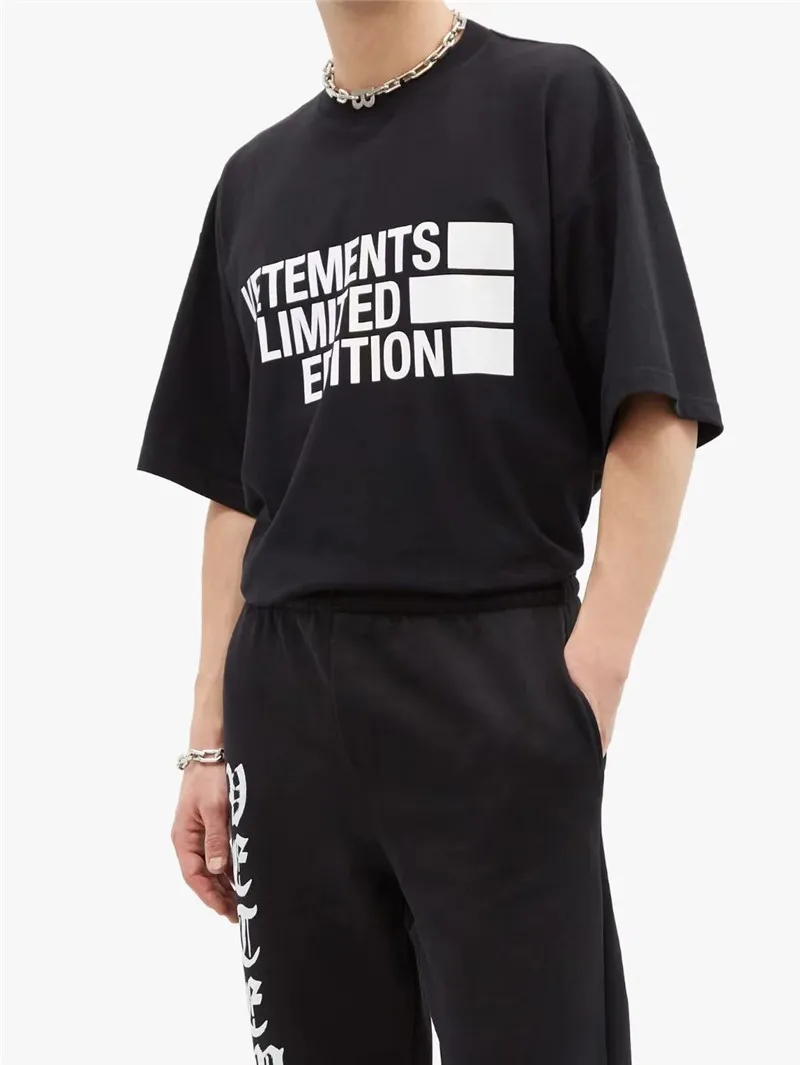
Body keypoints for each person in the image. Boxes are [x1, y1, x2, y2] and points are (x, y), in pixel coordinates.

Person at [137, 2, 723, 1062]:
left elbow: (652, 402)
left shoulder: (553, 102)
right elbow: (236, 488)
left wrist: (584, 683)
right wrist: (207, 738)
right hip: (286, 703)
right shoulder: (254, 182)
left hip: (491, 674)